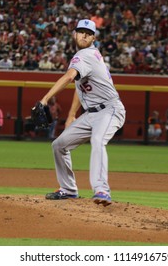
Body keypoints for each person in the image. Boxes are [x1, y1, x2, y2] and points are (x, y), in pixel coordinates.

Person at [40, 19, 126, 206]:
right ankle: (69, 189)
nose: (84, 35)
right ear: (75, 34)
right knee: (59, 145)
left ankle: (102, 189)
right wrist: (71, 114)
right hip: (91, 115)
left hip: (110, 109)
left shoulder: (86, 54)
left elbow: (69, 77)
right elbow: (79, 86)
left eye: (88, 32)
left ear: (93, 37)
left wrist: (45, 98)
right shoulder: (85, 57)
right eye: (81, 31)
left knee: (97, 140)